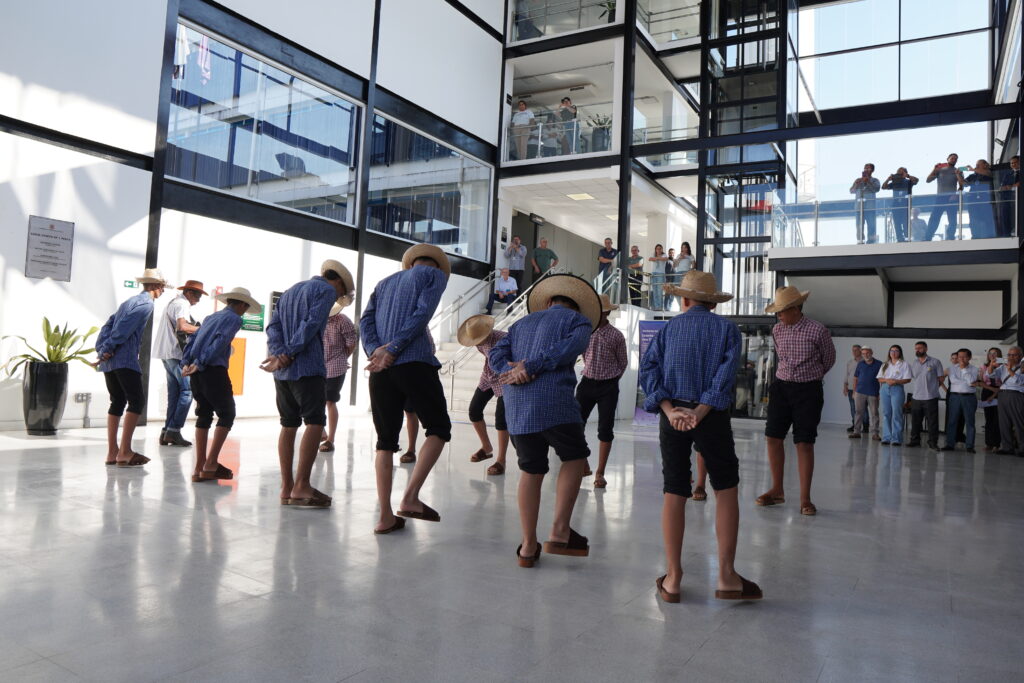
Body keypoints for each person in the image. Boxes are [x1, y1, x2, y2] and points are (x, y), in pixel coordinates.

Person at [640, 269, 762, 603]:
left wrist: (670, 411)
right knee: (725, 487)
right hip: (711, 416)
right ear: (712, 303)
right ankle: (726, 576)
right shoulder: (727, 329)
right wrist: (701, 411)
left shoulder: (668, 329)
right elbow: (725, 376)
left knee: (674, 488)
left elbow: (648, 370)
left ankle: (673, 578)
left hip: (673, 414)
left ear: (684, 300)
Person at [489, 274, 600, 568]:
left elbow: (496, 353)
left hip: (518, 407)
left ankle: (528, 546)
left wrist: (511, 371)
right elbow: (568, 350)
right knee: (574, 457)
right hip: (556, 403)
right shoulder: (579, 322)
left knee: (531, 469)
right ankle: (560, 530)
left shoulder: (519, 324)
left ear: (549, 301)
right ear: (577, 306)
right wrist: (531, 366)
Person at [362, 244, 452, 534]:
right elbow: (422, 313)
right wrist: (395, 348)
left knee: (385, 442)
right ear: (435, 265)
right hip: (414, 363)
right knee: (438, 428)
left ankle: (385, 517)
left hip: (381, 369)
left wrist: (377, 351)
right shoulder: (434, 276)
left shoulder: (383, 283)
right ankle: (411, 497)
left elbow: (365, 321)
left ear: (411, 263)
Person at [262, 259, 354, 509]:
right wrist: (290, 352)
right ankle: (302, 485)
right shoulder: (325, 290)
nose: (338, 297)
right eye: (341, 292)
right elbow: (312, 324)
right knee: (314, 422)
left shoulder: (291, 290)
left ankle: (286, 487)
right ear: (337, 282)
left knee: (288, 424)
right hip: (308, 366)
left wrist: (280, 353)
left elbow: (273, 326)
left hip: (283, 372)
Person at [758, 286, 835, 516]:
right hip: (781, 388)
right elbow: (780, 355)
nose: (778, 315)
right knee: (773, 437)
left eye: (782, 310)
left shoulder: (817, 330)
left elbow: (829, 359)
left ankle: (805, 499)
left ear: (795, 309)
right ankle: (777, 490)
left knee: (804, 443)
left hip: (808, 390)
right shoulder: (777, 330)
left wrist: (810, 376)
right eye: (777, 311)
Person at [180, 287, 259, 482]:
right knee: (227, 413)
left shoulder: (211, 317)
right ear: (241, 304)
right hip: (213, 370)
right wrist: (201, 362)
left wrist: (187, 362)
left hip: (197, 372)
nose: (245, 311)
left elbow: (193, 339)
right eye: (246, 307)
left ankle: (199, 467)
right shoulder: (234, 319)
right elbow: (220, 342)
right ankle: (211, 463)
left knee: (204, 414)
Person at [96, 268, 167, 468]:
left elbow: (108, 325)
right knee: (136, 401)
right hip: (124, 359)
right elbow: (123, 329)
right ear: (155, 286)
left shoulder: (128, 302)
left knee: (117, 401)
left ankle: (112, 451)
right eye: (162, 286)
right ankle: (125, 451)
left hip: (110, 362)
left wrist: (102, 349)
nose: (163, 290)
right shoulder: (146, 304)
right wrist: (108, 348)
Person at [576, 294, 627, 489]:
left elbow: (623, 362)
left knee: (605, 429)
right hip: (587, 382)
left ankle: (600, 472)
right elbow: (583, 354)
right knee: (576, 424)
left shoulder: (616, 335)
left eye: (601, 311)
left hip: (608, 386)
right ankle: (584, 461)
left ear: (606, 313)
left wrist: (611, 379)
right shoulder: (586, 332)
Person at [153, 279, 205, 447]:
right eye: (197, 296)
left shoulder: (173, 302)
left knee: (174, 393)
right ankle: (174, 431)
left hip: (166, 353)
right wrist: (204, 330)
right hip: (176, 353)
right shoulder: (182, 304)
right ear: (188, 292)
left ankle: (166, 432)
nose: (198, 300)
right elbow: (183, 326)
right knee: (187, 391)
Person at [457, 315, 510, 474]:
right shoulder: (477, 342)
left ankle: (501, 460)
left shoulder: (503, 339)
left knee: (501, 419)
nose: (476, 343)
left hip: (506, 377)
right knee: (474, 410)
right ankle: (486, 448)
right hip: (488, 375)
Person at [320, 295, 357, 453]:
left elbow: (351, 343)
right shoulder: (318, 321)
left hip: (336, 367)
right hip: (319, 366)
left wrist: (342, 358)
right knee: (316, 401)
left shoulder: (343, 320)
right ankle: (322, 432)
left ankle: (330, 439)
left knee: (330, 401)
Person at [942, 348, 981, 453]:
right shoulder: (951, 368)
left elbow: (971, 382)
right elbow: (943, 379)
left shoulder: (974, 369)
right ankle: (950, 444)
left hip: (969, 397)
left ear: (969, 357)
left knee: (970, 422)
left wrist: (964, 369)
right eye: (960, 357)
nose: (961, 359)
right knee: (952, 421)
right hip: (954, 397)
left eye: (964, 357)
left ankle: (970, 446)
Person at [907, 341, 944, 450]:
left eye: (920, 348)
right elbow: (913, 378)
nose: (917, 350)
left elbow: (941, 378)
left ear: (926, 349)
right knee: (915, 421)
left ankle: (933, 442)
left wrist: (933, 388)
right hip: (916, 397)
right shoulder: (914, 363)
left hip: (930, 397)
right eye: (916, 348)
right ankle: (915, 440)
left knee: (932, 422)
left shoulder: (935, 362)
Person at [924, 153, 965, 240]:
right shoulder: (940, 170)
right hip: (940, 197)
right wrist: (934, 169)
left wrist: (956, 194)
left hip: (952, 198)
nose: (954, 160)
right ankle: (928, 237)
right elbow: (928, 180)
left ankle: (950, 237)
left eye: (956, 159)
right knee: (934, 217)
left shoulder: (958, 171)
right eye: (952, 158)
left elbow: (962, 186)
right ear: (948, 159)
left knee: (952, 219)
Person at [876, 345, 911, 446]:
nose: (894, 352)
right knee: (886, 413)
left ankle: (896, 439)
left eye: (896, 351)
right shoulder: (885, 364)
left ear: (900, 352)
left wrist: (896, 381)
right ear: (889, 352)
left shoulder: (904, 364)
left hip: (897, 388)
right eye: (892, 350)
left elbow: (908, 379)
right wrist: (886, 380)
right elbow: (879, 378)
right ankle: (886, 437)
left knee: (897, 413)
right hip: (885, 388)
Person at [994, 347, 1024, 456]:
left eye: (1014, 355)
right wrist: (992, 366)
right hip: (1003, 394)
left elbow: (1020, 381)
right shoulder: (1003, 366)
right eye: (1009, 355)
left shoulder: (1022, 367)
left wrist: (1010, 370)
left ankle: (1022, 448)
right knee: (1004, 422)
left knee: (1019, 422)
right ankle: (1007, 447)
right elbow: (991, 376)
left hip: (1016, 395)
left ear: (1020, 356)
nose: (1011, 357)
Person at [850, 346, 881, 441]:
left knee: (874, 413)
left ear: (871, 353)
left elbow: (881, 379)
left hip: (873, 393)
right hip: (860, 392)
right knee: (858, 412)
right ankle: (856, 432)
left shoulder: (879, 364)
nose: (865, 355)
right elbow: (855, 378)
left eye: (867, 353)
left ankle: (875, 434)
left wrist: (880, 393)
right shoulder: (860, 364)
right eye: (863, 353)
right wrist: (854, 392)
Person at [881, 167, 918, 242]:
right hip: (896, 206)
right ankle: (900, 238)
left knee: (905, 222)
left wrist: (907, 176)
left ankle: (907, 237)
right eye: (898, 173)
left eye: (901, 172)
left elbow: (916, 180)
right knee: (897, 223)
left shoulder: (908, 182)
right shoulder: (895, 183)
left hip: (905, 205)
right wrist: (888, 179)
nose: (899, 174)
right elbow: (883, 187)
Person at [962, 159, 996, 239]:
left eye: (978, 164)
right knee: (973, 219)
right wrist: (958, 175)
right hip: (973, 200)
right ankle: (975, 236)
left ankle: (990, 236)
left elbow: (989, 174)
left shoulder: (989, 172)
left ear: (985, 165)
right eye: (976, 164)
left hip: (985, 199)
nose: (976, 166)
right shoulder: (973, 176)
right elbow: (963, 184)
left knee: (987, 218)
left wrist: (972, 169)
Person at [850, 163, 881, 243]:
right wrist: (856, 184)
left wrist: (868, 181)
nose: (866, 170)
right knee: (859, 226)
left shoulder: (875, 180)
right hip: (859, 207)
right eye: (865, 168)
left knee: (871, 225)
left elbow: (876, 189)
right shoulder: (858, 180)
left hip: (870, 207)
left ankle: (871, 241)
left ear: (872, 170)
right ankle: (860, 241)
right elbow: (851, 191)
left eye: (868, 168)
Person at [980, 347, 1003, 452]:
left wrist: (994, 394)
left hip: (1000, 392)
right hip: (987, 392)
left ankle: (996, 444)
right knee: (988, 419)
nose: (992, 355)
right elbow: (981, 382)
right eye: (990, 353)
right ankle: (988, 443)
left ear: (999, 355)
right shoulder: (983, 366)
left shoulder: (1003, 366)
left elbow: (1004, 383)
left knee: (997, 420)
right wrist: (991, 391)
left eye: (995, 353)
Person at [996, 155, 1019, 237]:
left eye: (1015, 162)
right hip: (1008, 199)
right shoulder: (1008, 174)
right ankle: (1007, 235)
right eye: (1011, 163)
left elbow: (1018, 185)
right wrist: (1010, 187)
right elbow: (1001, 188)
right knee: (1005, 217)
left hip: (1019, 199)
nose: (1013, 164)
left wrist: (1010, 187)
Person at [843, 344, 864, 433]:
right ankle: (855, 425)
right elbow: (847, 374)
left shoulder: (864, 362)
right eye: (853, 350)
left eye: (856, 350)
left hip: (861, 389)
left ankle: (865, 426)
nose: (854, 352)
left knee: (863, 409)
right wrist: (845, 386)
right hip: (851, 388)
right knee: (853, 408)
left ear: (860, 351)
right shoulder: (850, 362)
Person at [648, 244, 669, 311]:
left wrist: (656, 258)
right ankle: (657, 307)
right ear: (655, 250)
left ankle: (660, 307)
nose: (659, 250)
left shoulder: (664, 255)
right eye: (657, 249)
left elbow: (665, 259)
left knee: (659, 291)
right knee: (655, 291)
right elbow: (650, 259)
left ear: (662, 249)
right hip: (653, 274)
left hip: (660, 274)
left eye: (660, 248)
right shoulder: (653, 255)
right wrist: (657, 258)